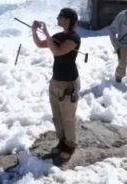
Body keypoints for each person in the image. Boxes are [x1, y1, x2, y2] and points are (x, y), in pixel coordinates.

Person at [31, 8, 81, 162]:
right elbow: (40, 44)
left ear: (67, 20)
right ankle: (61, 141)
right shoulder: (59, 36)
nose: (57, 18)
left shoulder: (74, 38)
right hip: (56, 80)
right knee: (57, 116)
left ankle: (70, 145)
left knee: (68, 116)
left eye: (60, 16)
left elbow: (58, 51)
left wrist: (47, 33)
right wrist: (35, 32)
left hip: (69, 82)